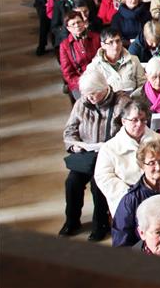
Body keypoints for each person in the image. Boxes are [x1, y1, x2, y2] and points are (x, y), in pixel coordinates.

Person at [60, 72, 132, 240]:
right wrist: (75, 146)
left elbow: (128, 132)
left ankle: (100, 224)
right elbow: (69, 131)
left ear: (104, 88)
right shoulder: (81, 104)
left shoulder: (121, 103)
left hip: (111, 157)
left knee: (97, 183)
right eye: (87, 94)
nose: (90, 98)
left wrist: (110, 147)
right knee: (72, 182)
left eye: (94, 93)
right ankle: (72, 220)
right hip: (87, 156)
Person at [94, 101, 160, 217]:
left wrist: (155, 188)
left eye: (143, 120)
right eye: (134, 120)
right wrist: (132, 194)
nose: (139, 124)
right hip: (127, 200)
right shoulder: (109, 148)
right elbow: (104, 177)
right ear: (124, 121)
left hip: (159, 196)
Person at [112, 137, 160, 248]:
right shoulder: (131, 199)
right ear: (142, 165)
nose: (158, 167)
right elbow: (121, 242)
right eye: (152, 163)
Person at [86, 28, 147, 93]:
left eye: (118, 41)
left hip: (134, 99)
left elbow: (142, 85)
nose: (115, 45)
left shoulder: (134, 60)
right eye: (110, 42)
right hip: (109, 101)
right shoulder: (94, 67)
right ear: (103, 45)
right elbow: (93, 91)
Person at [59, 11, 101, 100]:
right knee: (87, 103)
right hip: (79, 82)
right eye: (73, 24)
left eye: (79, 22)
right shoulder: (65, 45)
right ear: (68, 28)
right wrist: (83, 83)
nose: (77, 26)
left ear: (84, 22)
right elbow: (68, 73)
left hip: (100, 77)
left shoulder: (96, 38)